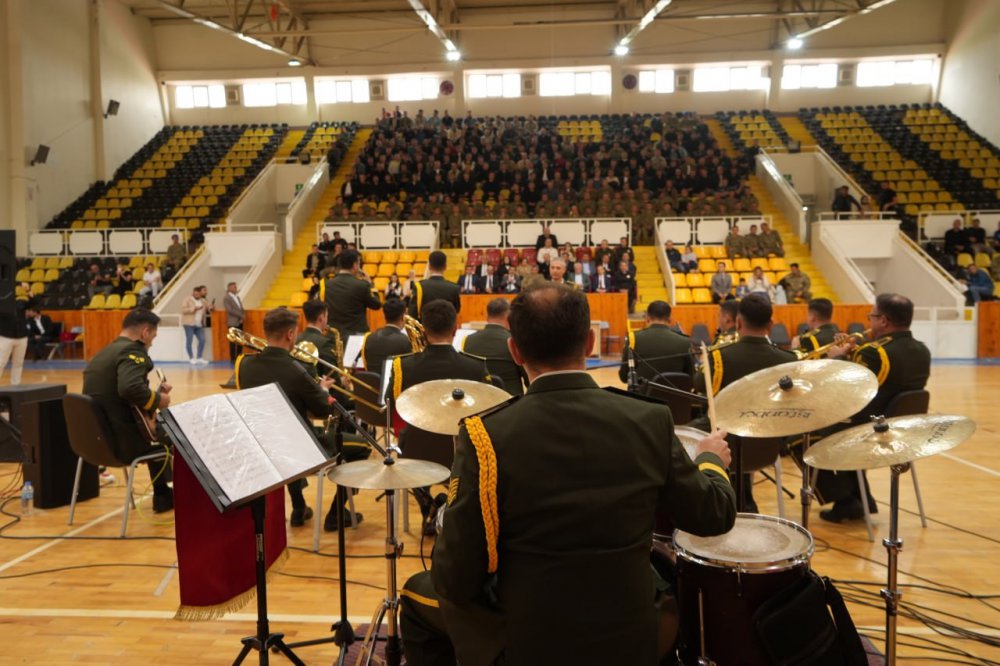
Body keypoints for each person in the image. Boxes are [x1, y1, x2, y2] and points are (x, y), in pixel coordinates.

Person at [400, 285, 736, 665]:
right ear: (590, 341)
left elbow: (455, 580)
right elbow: (715, 515)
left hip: (531, 642)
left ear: (515, 351)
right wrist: (709, 461)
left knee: (416, 594)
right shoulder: (649, 419)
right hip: (632, 634)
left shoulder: (484, 435)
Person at [236, 307, 357, 529]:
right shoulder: (297, 369)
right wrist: (322, 389)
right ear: (290, 334)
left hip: (265, 446)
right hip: (300, 449)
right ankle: (337, 513)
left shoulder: (244, 365)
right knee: (361, 448)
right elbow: (323, 411)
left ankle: (299, 506)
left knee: (288, 432)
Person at [820, 294, 931, 522]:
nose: (869, 322)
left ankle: (846, 501)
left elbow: (846, 389)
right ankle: (862, 497)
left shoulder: (874, 353)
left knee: (806, 433)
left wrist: (837, 359)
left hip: (868, 426)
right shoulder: (922, 350)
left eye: (871, 316)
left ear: (883, 321)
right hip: (902, 428)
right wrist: (853, 353)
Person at [387, 300, 492, 533]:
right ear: (455, 328)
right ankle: (453, 511)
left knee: (409, 441)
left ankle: (428, 507)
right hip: (463, 455)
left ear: (423, 329)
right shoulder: (474, 367)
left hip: (416, 453)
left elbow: (391, 408)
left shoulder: (402, 367)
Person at [694, 294, 798, 511]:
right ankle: (746, 501)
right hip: (768, 446)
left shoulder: (719, 357)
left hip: (725, 446)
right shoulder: (789, 360)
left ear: (738, 322)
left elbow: (699, 386)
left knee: (683, 433)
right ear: (770, 325)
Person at [82, 308, 173, 513]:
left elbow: (118, 397)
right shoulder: (133, 351)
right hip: (122, 444)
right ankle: (164, 495)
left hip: (95, 444)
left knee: (158, 431)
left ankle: (163, 495)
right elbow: (129, 388)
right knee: (175, 434)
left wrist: (153, 397)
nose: (151, 343)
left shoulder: (103, 353)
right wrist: (159, 400)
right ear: (145, 333)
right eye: (153, 337)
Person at [620, 300, 693, 386]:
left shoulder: (633, 338)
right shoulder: (685, 342)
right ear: (670, 319)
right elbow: (691, 378)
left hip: (642, 398)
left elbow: (624, 376)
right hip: (674, 397)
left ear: (647, 318)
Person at [462, 298, 526, 396]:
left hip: (479, 401)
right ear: (509, 317)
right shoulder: (515, 341)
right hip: (510, 402)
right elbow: (528, 378)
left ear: (487, 317)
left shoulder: (468, 340)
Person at [320, 249, 382, 340]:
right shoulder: (362, 285)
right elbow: (376, 305)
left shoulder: (327, 285)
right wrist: (370, 285)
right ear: (355, 265)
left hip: (334, 336)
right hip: (356, 337)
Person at [360, 297, 413, 377]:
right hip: (395, 387)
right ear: (403, 317)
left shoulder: (369, 337)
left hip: (372, 384)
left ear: (384, 315)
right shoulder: (404, 340)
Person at [408, 250, 461, 318]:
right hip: (446, 327)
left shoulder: (419, 286)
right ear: (445, 266)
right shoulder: (454, 288)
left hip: (424, 327)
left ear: (429, 266)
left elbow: (412, 313)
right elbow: (456, 311)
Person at [0, 297, 29, 384]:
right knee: (1, 362)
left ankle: (15, 386)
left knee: (18, 363)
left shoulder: (20, 302)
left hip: (22, 337)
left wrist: (29, 292)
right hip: (6, 337)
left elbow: (34, 303)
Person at [181, 285, 209, 364]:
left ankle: (199, 357)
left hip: (199, 324)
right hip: (189, 324)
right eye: (195, 294)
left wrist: (211, 307)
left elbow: (208, 308)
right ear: (192, 293)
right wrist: (194, 309)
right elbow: (183, 310)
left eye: (198, 294)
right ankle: (191, 358)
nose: (196, 295)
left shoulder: (203, 301)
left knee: (202, 340)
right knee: (189, 341)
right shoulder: (187, 299)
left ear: (200, 294)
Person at [221, 282, 245, 364]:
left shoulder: (237, 297)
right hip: (232, 322)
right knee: (233, 341)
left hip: (240, 321)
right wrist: (241, 315)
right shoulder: (226, 298)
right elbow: (230, 310)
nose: (236, 288)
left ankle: (239, 356)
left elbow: (241, 308)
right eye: (234, 287)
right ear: (229, 288)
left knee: (240, 340)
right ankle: (233, 358)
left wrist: (242, 316)